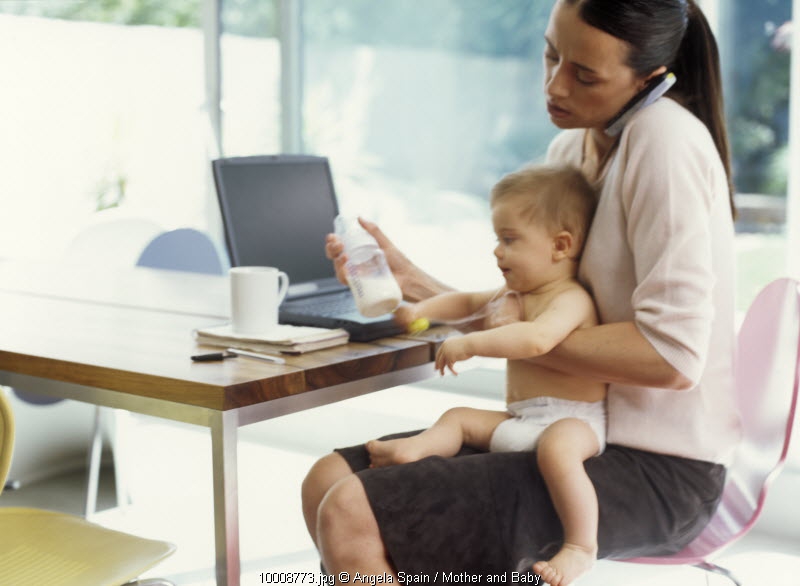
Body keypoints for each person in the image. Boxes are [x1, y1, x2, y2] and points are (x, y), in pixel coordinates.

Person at [301, 0, 740, 582]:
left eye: (585, 74)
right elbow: (534, 314)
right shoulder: (571, 151)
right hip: (559, 429)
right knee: (327, 482)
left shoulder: (666, 144)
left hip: (658, 466)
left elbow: (672, 357)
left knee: (354, 512)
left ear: (650, 78)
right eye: (551, 54)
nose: (556, 85)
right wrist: (416, 284)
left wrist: (499, 337)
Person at [367, 164, 606, 586]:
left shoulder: (570, 299)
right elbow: (463, 302)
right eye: (498, 238)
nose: (498, 251)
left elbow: (537, 340)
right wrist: (422, 309)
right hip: (521, 420)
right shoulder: (512, 295)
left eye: (509, 240)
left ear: (560, 245)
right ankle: (416, 449)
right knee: (460, 417)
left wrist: (472, 343)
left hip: (574, 420)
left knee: (557, 450)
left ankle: (581, 546)